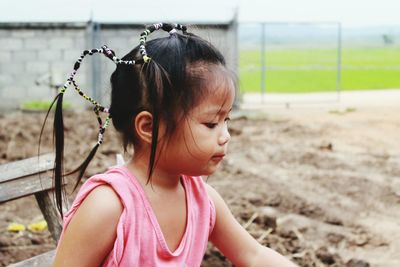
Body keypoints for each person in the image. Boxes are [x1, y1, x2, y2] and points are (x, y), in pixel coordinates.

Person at [44, 23, 297, 266]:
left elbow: (253, 257)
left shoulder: (203, 201)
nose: (226, 135)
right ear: (149, 128)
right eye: (211, 124)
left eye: (226, 120)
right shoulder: (108, 206)